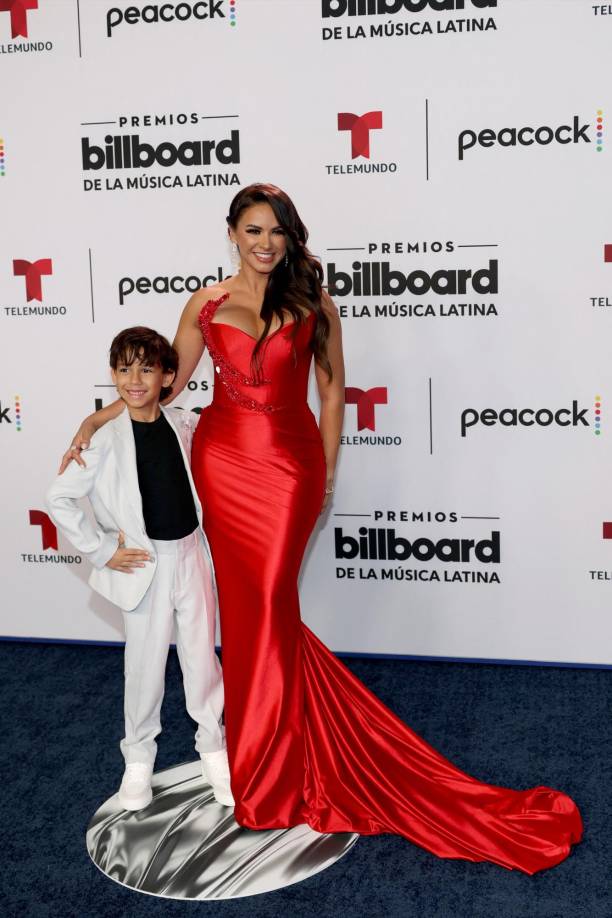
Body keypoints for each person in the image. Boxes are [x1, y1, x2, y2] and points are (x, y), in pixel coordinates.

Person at [60, 185, 582, 874]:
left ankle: (275, 769)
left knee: (270, 605)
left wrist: (326, 472)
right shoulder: (206, 304)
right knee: (247, 618)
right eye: (252, 229)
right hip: (220, 465)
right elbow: (167, 384)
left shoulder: (314, 304)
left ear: (290, 237)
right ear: (231, 232)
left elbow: (332, 392)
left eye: (276, 231)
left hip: (287, 470)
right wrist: (98, 419)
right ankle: (259, 760)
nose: (264, 243)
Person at [48, 327, 233, 811]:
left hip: (192, 557)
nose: (135, 379)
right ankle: (137, 764)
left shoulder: (185, 424)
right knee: (144, 671)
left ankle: (214, 749)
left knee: (202, 662)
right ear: (112, 375)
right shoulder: (102, 440)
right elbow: (60, 498)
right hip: (142, 568)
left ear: (169, 376)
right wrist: (101, 549)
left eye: (147, 368)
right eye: (124, 369)